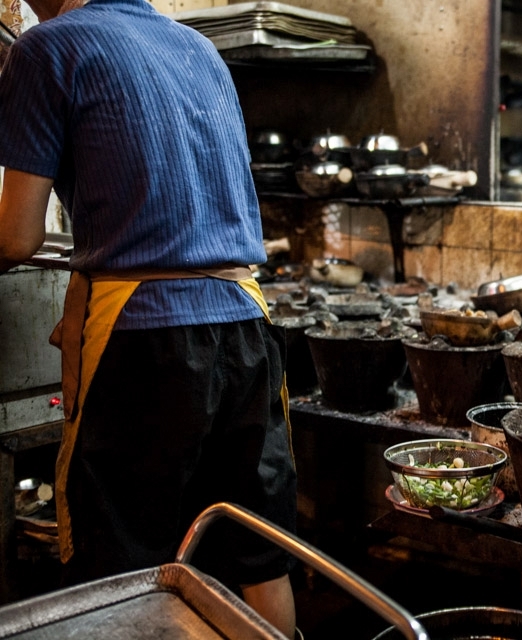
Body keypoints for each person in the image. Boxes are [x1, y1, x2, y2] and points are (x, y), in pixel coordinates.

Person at [0, 0, 299, 637]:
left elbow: (16, 238)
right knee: (256, 552)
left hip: (144, 339)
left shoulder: (46, 48)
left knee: (124, 564)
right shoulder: (199, 48)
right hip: (246, 323)